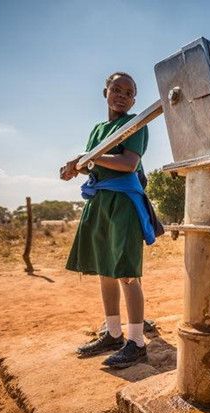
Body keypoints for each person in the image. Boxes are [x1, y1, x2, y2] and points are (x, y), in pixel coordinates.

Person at [60, 72, 160, 369]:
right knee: (106, 269)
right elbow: (94, 166)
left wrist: (88, 157)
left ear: (133, 100)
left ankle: (137, 342)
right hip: (100, 202)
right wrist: (75, 166)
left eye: (128, 92)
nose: (121, 95)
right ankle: (114, 333)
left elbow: (129, 163)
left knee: (127, 271)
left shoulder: (135, 126)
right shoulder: (98, 130)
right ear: (105, 92)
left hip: (124, 204)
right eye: (116, 89)